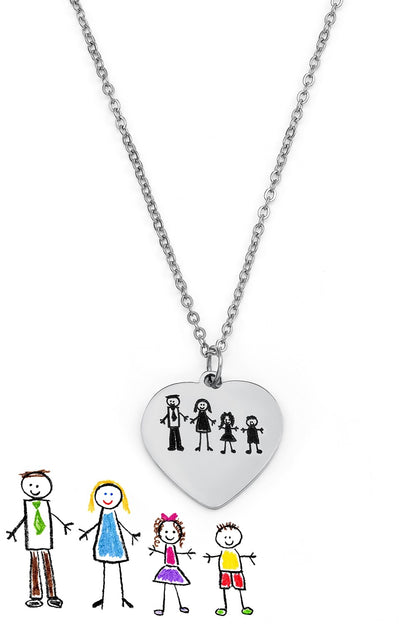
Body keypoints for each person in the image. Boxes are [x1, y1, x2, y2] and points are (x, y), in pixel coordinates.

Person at [6, 469, 73, 608]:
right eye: (30, 486)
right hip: (32, 538)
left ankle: (52, 595)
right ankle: (35, 595)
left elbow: (52, 515)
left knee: (47, 564)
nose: (34, 489)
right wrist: (14, 531)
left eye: (37, 486)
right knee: (34, 566)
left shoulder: (45, 505)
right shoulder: (28, 506)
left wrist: (64, 524)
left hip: (45, 537)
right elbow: (24, 519)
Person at [79, 480, 140, 609]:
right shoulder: (104, 514)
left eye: (111, 494)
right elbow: (99, 524)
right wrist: (87, 532)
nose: (108, 498)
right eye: (105, 494)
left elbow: (119, 525)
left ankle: (119, 597)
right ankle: (107, 596)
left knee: (115, 569)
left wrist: (132, 534)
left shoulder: (112, 515)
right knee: (107, 569)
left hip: (115, 544)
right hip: (105, 543)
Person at [204, 523, 256, 616]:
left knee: (239, 588)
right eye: (225, 537)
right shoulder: (224, 552)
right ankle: (225, 607)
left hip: (237, 570)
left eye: (230, 537)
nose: (228, 540)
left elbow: (240, 556)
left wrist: (249, 556)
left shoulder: (234, 552)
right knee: (225, 588)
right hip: (224, 570)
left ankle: (243, 607)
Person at [149, 513, 195, 616]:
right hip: (167, 568)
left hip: (174, 568)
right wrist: (155, 551)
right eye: (166, 532)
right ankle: (162, 608)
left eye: (174, 532)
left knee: (176, 587)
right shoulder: (167, 546)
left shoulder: (172, 547)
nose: (169, 535)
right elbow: (165, 554)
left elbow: (175, 554)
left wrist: (187, 553)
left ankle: (181, 606)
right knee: (165, 588)